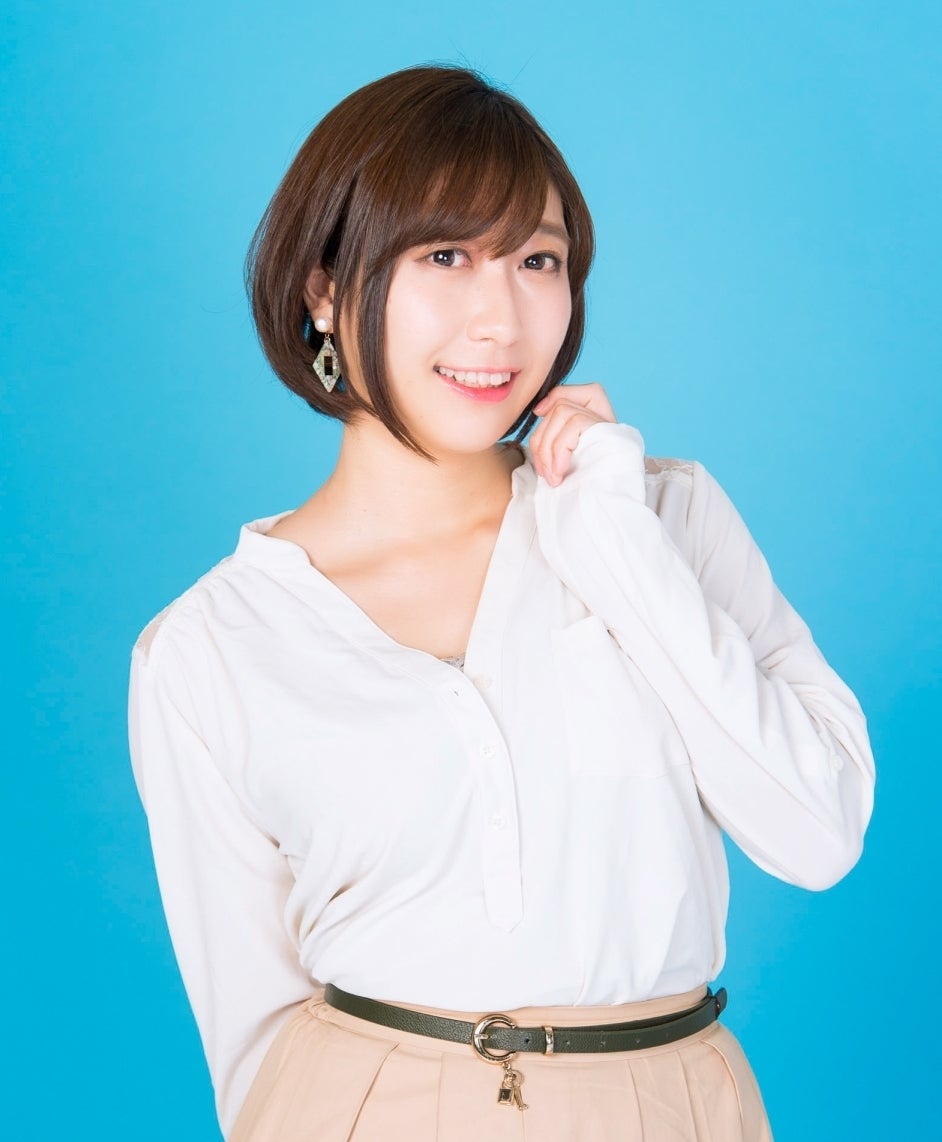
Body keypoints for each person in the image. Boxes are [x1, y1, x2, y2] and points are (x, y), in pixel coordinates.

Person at [128, 65, 875, 1142]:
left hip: (669, 1103)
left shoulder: (663, 517)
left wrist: (618, 548)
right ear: (325, 289)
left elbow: (819, 831)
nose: (502, 319)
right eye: (444, 256)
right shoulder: (210, 646)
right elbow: (249, 1032)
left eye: (538, 260)